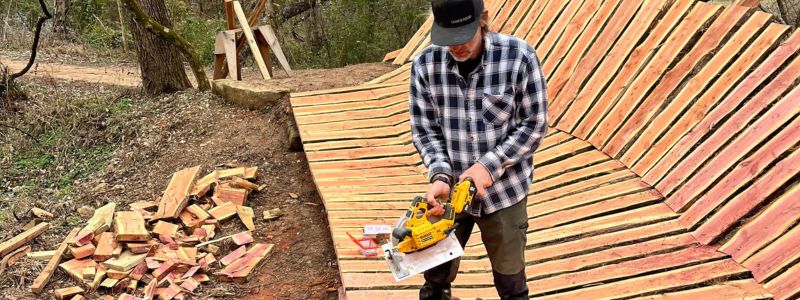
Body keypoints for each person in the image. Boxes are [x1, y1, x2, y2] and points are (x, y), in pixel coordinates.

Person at [408, 0, 548, 299]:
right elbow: (425, 129)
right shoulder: (424, 66)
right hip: (448, 200)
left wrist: (488, 166)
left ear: (482, 21)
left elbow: (534, 124)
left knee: (511, 284)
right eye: (448, 39)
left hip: (505, 192)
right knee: (434, 280)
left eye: (463, 37)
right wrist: (441, 176)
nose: (456, 47)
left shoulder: (519, 57)